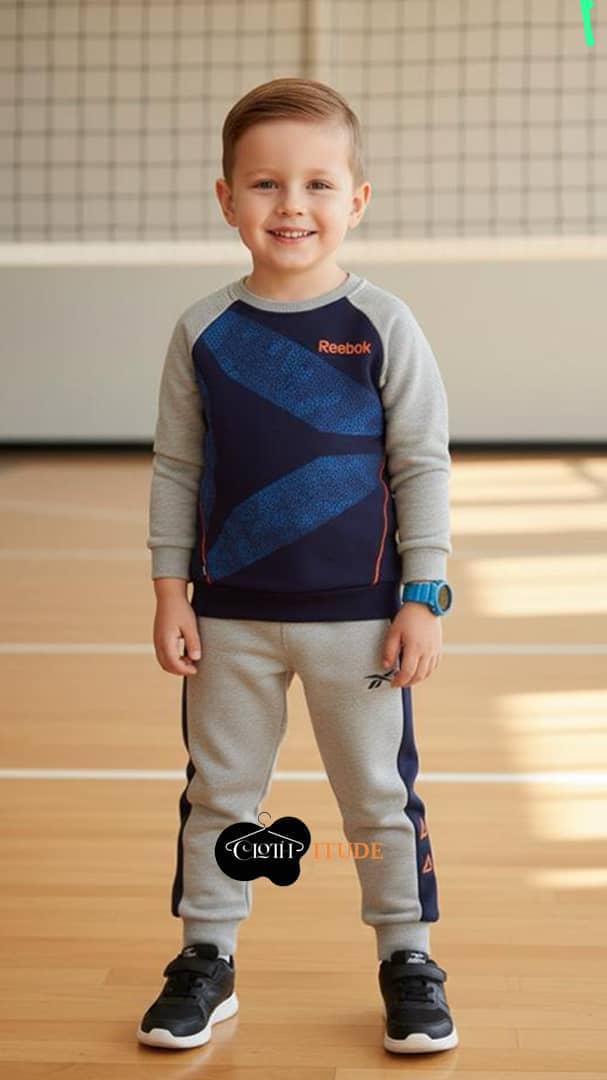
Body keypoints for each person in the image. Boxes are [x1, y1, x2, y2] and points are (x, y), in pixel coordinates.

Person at [137, 76, 458, 1056]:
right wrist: (169, 591)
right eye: (266, 183)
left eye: (318, 184)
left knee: (375, 799)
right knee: (220, 794)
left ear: (355, 200)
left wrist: (421, 596)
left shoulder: (381, 325)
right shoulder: (203, 330)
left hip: (359, 619)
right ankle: (206, 958)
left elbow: (420, 464)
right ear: (226, 198)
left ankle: (407, 957)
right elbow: (177, 467)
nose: (292, 205)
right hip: (227, 617)